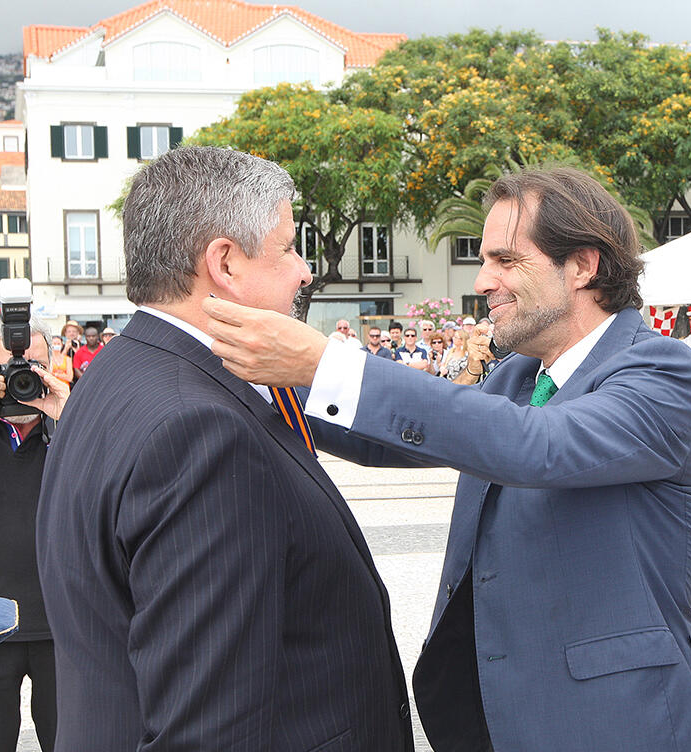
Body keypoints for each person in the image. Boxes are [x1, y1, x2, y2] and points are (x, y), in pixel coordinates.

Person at [201, 166, 691, 751]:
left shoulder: (662, 371)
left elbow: (539, 446)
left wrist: (327, 364)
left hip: (620, 725)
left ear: (583, 265)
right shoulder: (520, 377)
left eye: (506, 260)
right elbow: (399, 436)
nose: (483, 281)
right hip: (499, 722)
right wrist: (264, 371)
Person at [36, 146, 412, 752]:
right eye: (288, 247)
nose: (304, 270)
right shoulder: (200, 430)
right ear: (226, 264)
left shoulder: (118, 375)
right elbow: (211, 729)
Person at [0, 313, 71, 752]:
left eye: (34, 367)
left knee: (69, 740)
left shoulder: (71, 425)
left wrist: (72, 416)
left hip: (62, 621)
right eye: (9, 369)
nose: (23, 377)